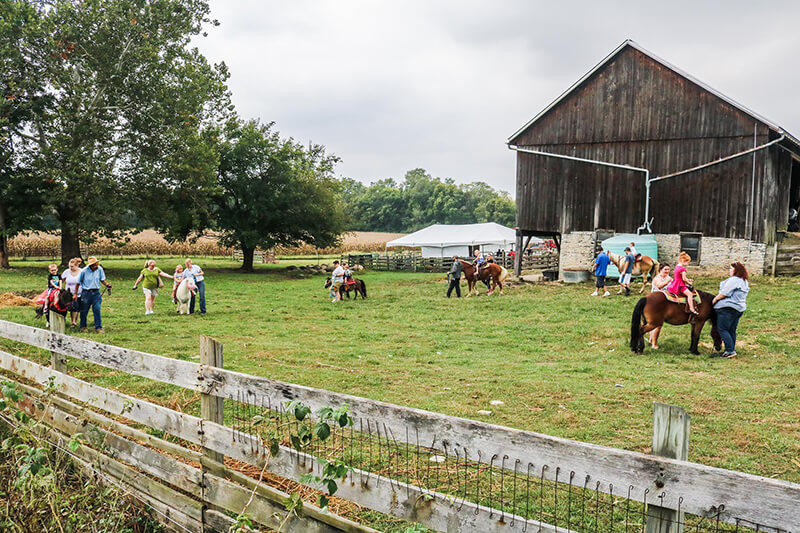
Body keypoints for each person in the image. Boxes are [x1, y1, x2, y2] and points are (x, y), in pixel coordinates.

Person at [712, 262, 750, 358]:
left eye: (731, 268)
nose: (729, 270)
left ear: (736, 270)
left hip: (728, 308)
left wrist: (715, 299)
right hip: (739, 308)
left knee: (723, 329)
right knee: (731, 330)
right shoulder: (744, 281)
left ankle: (730, 351)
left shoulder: (734, 280)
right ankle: (731, 349)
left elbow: (725, 293)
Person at [75, 256, 112, 333]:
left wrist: (107, 285)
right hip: (86, 293)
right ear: (90, 265)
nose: (96, 266)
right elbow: (78, 283)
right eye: (94, 265)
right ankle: (83, 327)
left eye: (97, 264)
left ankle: (98, 327)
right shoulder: (84, 271)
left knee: (97, 309)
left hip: (96, 293)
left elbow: (102, 280)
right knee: (84, 310)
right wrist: (75, 294)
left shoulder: (100, 269)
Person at [648, 263, 672, 348]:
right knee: (657, 324)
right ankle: (654, 344)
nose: (667, 271)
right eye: (665, 269)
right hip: (655, 302)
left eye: (668, 269)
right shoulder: (657, 278)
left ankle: (651, 340)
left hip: (665, 302)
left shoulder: (669, 278)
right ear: (660, 270)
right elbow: (659, 285)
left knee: (654, 323)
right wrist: (667, 282)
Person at [60, 258, 83, 328]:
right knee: (71, 308)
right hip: (69, 294)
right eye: (69, 266)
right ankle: (72, 322)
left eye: (72, 266)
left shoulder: (82, 272)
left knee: (77, 308)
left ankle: (75, 321)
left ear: (77, 266)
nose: (70, 268)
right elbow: (61, 280)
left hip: (79, 293)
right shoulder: (67, 272)